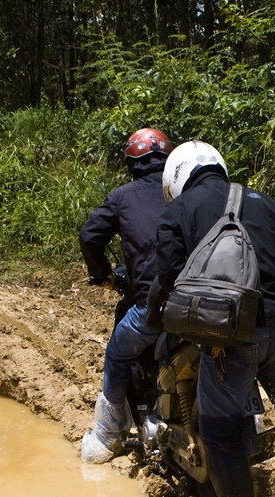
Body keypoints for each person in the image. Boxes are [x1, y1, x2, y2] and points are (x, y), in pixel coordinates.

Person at [147, 140, 275, 497]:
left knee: (219, 431)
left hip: (229, 341)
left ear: (177, 178)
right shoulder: (265, 202)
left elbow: (172, 277)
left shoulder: (178, 211)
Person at [79, 128, 172, 463]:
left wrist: (101, 273)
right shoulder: (185, 193)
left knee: (117, 355)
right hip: (200, 300)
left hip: (154, 305)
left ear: (133, 164)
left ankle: (108, 435)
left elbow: (90, 235)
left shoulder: (123, 196)